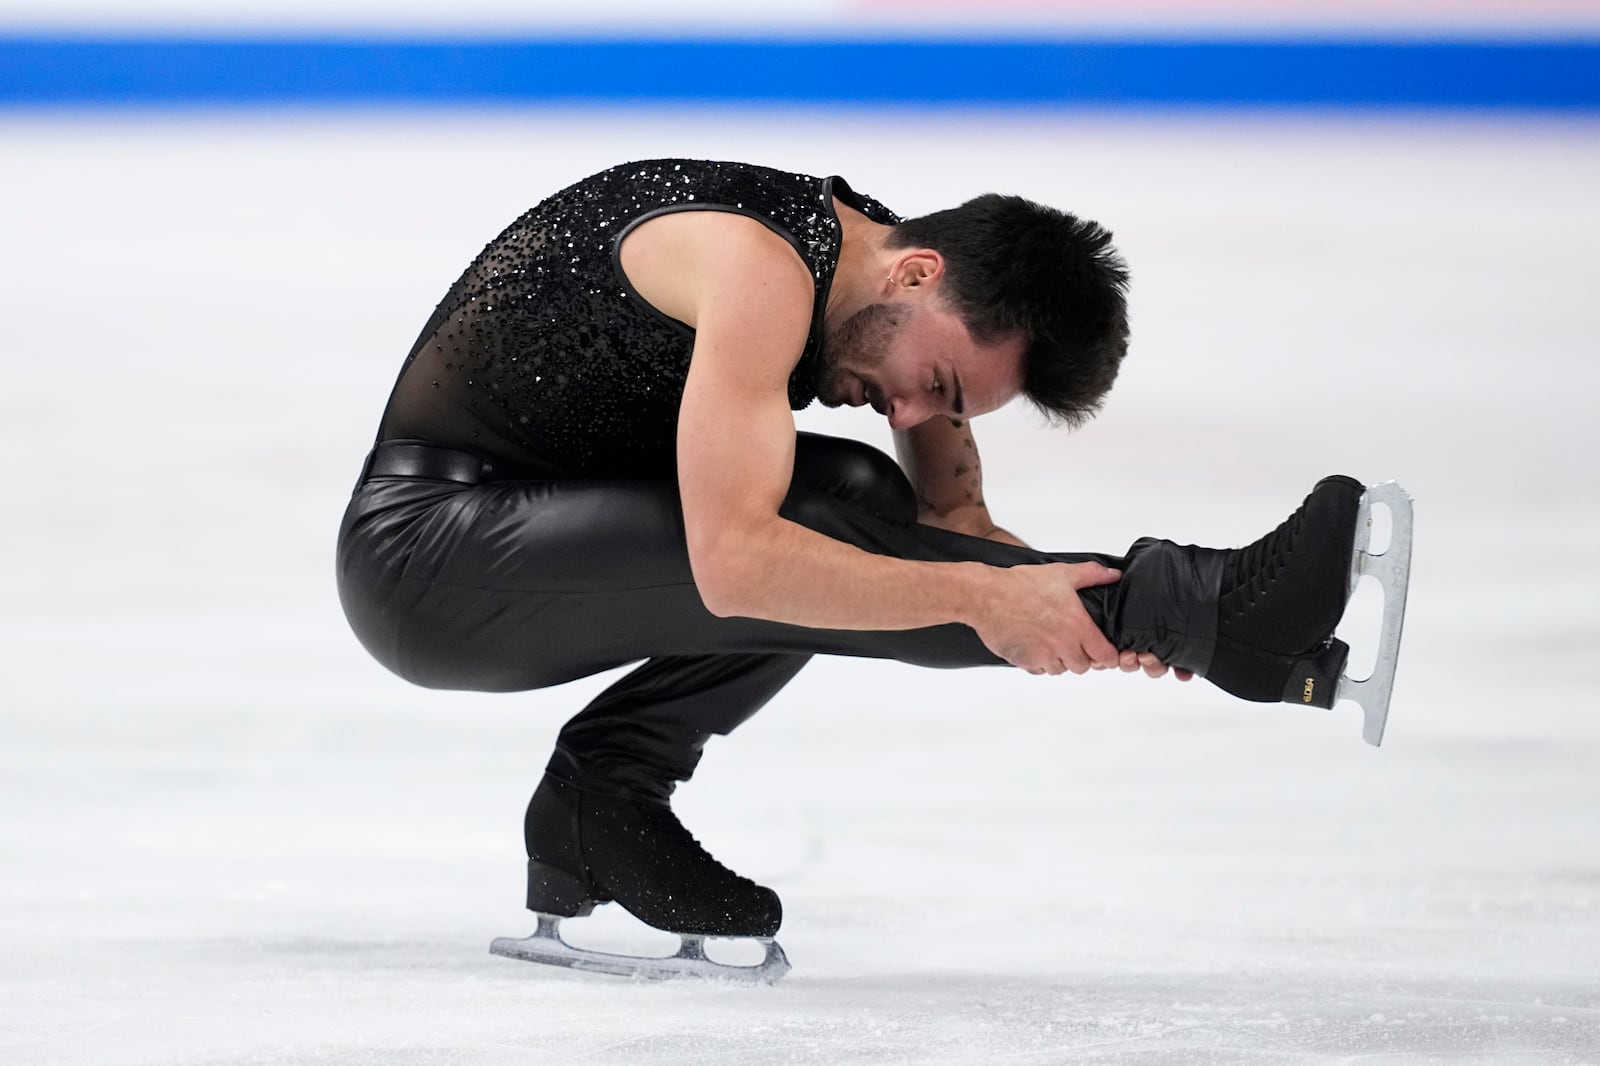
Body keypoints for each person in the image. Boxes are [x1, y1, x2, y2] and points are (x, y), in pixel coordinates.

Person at [336, 158, 1372, 974]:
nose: (913, 411)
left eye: (950, 405)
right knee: (808, 522)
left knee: (857, 497)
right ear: (916, 272)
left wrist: (971, 531)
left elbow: (924, 499)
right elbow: (736, 567)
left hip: (536, 515)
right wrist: (984, 591)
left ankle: (598, 808)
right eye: (936, 381)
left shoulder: (861, 253)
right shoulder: (755, 267)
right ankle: (1207, 611)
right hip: (428, 558)